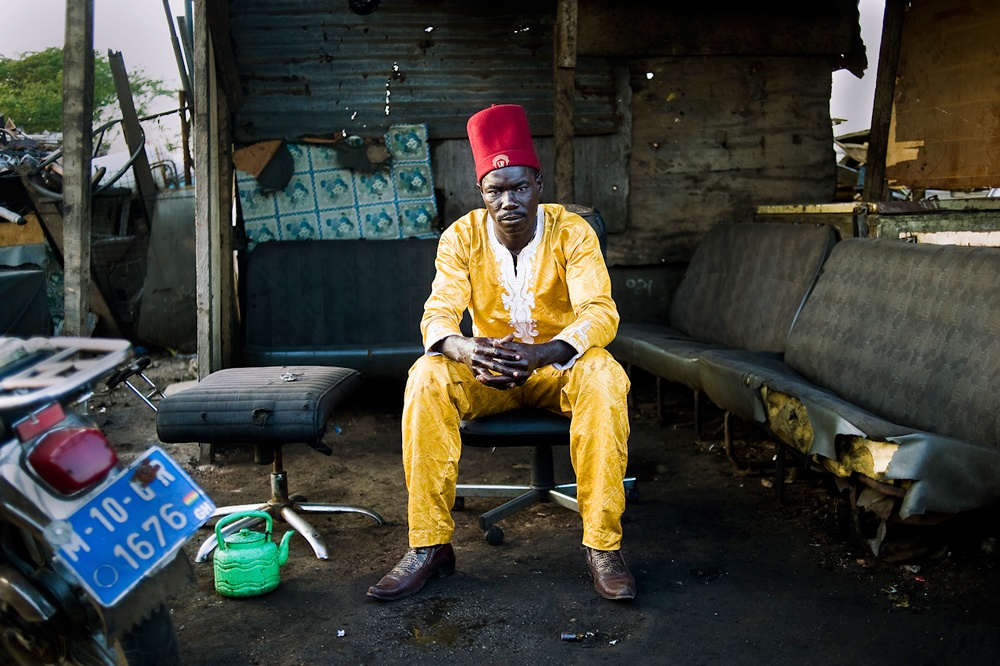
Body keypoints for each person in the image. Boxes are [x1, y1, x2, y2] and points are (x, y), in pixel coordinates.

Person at [367, 104, 634, 602]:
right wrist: (469, 350)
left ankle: (603, 546)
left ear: (538, 183)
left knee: (604, 373)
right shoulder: (460, 237)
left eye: (518, 187)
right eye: (495, 190)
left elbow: (600, 313)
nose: (507, 200)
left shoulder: (571, 233)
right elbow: (437, 314)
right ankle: (429, 546)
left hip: (559, 370)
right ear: (482, 194)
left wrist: (544, 353)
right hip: (488, 374)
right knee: (426, 374)